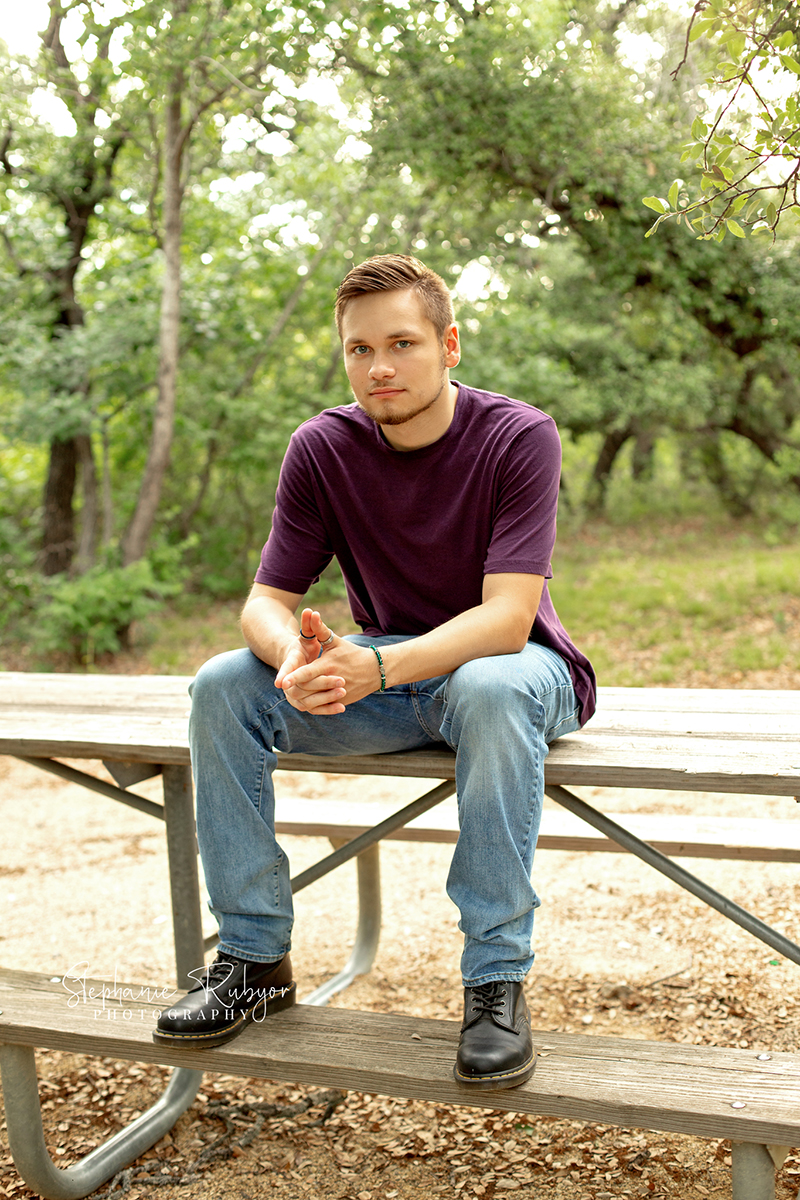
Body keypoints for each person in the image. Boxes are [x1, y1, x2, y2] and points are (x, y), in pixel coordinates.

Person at [153, 254, 596, 1091]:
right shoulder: (323, 447)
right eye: (359, 350)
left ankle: (494, 980)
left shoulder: (518, 436)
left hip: (517, 672)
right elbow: (264, 603)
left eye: (401, 343)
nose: (380, 367)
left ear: (450, 344)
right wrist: (293, 658)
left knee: (489, 685)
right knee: (222, 684)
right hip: (391, 677)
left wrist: (376, 665)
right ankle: (253, 961)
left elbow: (505, 620)